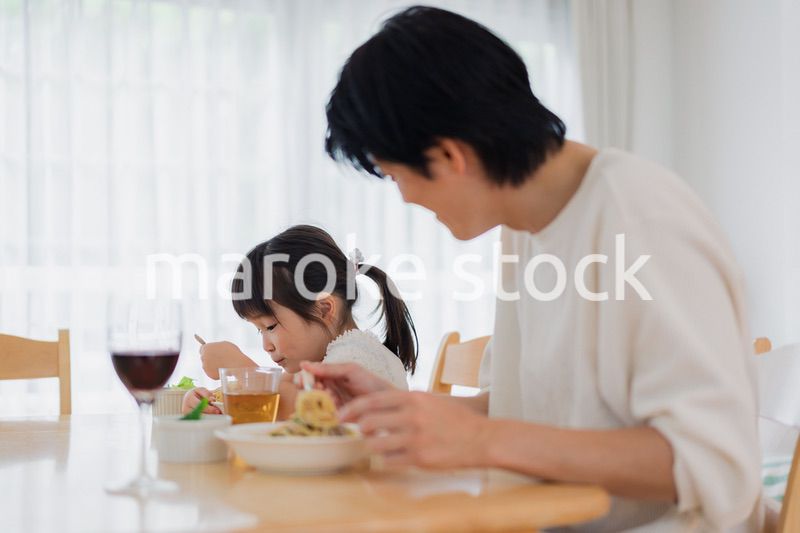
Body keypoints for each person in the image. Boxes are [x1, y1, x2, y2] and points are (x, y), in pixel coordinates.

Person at [312, 5, 761, 531]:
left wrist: (482, 440)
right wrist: (401, 412)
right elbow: (533, 413)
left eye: (396, 176)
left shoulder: (639, 219)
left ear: (449, 156)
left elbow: (715, 462)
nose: (407, 199)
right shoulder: (527, 227)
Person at [182, 224, 417, 419]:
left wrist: (239, 373)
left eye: (270, 326)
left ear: (324, 308)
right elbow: (286, 397)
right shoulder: (332, 359)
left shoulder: (356, 358)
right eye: (259, 331)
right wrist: (211, 403)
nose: (266, 345)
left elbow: (307, 412)